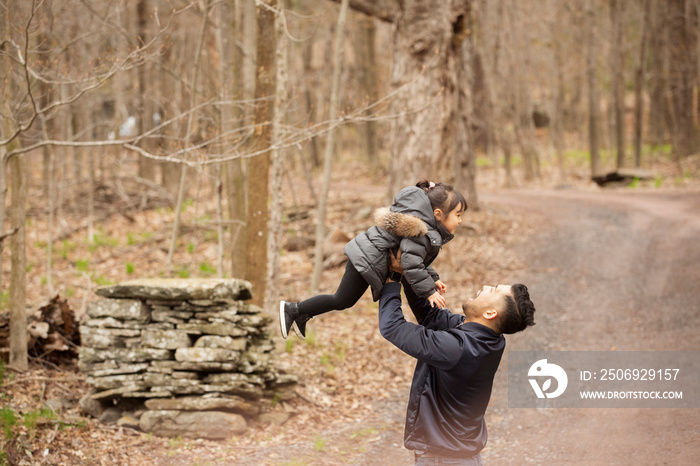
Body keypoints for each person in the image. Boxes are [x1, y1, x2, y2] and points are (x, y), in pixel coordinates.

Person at [379, 251, 536, 465]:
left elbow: (392, 327)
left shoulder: (458, 347)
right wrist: (409, 271)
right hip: (460, 457)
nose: (487, 286)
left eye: (494, 290)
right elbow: (431, 316)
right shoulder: (490, 339)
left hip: (443, 460)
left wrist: (392, 281)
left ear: (490, 313)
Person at [279, 180, 467, 340]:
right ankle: (293, 309)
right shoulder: (421, 230)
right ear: (438, 214)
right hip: (367, 257)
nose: (459, 221)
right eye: (457, 215)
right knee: (342, 299)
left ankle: (302, 313)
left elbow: (417, 259)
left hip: (370, 256)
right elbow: (411, 263)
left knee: (343, 300)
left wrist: (433, 278)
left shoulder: (424, 228)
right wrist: (429, 291)